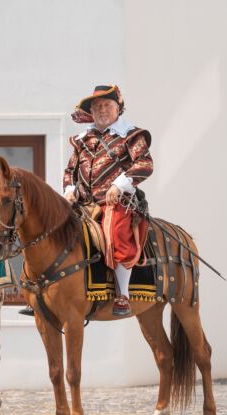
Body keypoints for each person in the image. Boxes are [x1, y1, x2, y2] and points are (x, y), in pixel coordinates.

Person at [64, 84, 153, 316]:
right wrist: (69, 190)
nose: (101, 110)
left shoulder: (132, 135)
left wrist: (118, 184)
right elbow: (70, 171)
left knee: (116, 231)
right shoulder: (82, 140)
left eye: (106, 105)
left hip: (116, 201)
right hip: (81, 203)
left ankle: (122, 294)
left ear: (118, 108)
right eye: (97, 106)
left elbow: (144, 164)